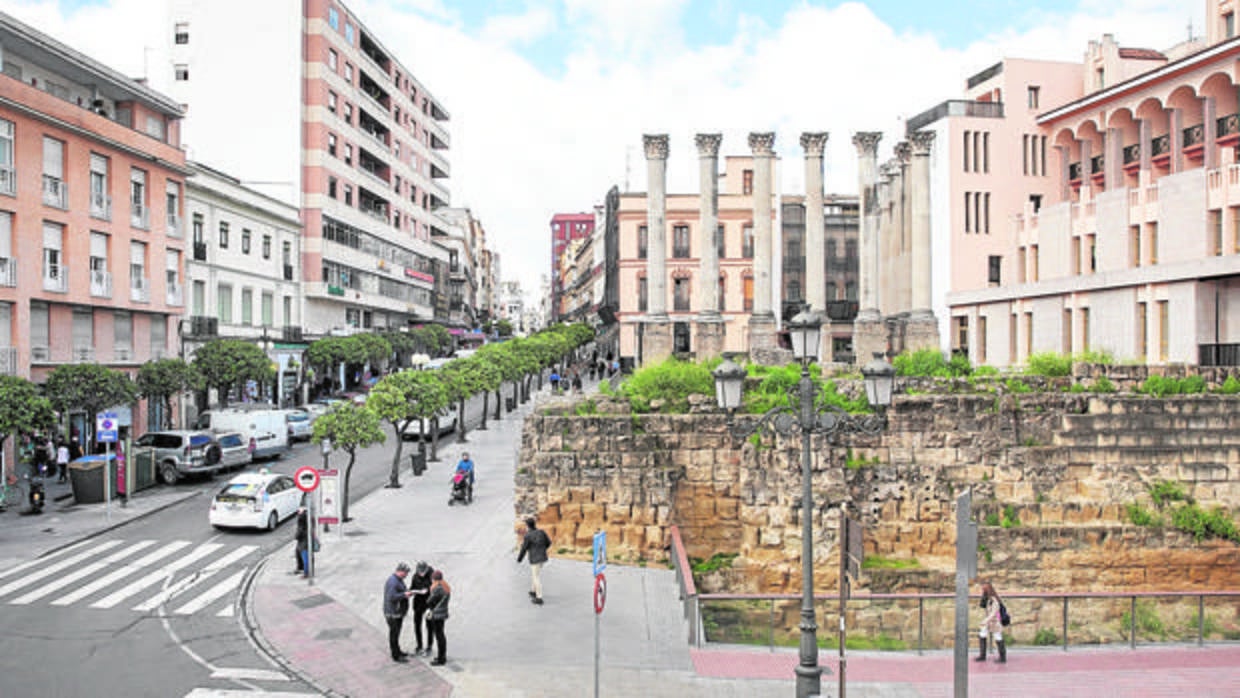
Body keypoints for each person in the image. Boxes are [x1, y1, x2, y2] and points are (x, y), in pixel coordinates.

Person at [384, 562, 416, 662]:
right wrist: (404, 595)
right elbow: (391, 597)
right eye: (406, 573)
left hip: (397, 613)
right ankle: (396, 656)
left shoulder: (398, 580)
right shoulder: (393, 582)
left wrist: (407, 593)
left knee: (396, 633)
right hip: (393, 613)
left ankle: (398, 651)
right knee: (394, 634)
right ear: (400, 571)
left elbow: (400, 591)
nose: (407, 575)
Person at [517, 516, 552, 605]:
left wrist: (519, 559)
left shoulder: (528, 536)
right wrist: (542, 549)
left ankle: (539, 598)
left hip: (535, 559)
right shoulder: (541, 532)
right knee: (535, 574)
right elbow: (549, 543)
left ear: (528, 526)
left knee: (536, 577)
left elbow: (524, 549)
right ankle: (533, 591)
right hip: (543, 558)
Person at [409, 561, 434, 657]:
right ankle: (419, 646)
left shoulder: (432, 576)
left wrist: (428, 590)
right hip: (418, 604)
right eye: (419, 572)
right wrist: (411, 591)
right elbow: (412, 587)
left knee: (429, 626)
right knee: (417, 625)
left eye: (423, 572)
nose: (421, 574)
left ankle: (429, 647)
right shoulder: (415, 576)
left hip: (428, 605)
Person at [426, 570, 451, 666]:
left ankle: (441, 659)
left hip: (437, 614)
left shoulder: (437, 587)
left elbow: (430, 601)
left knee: (439, 636)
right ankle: (442, 656)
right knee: (441, 635)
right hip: (442, 613)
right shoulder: (445, 585)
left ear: (434, 578)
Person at [976, 581, 1006, 663]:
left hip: (995, 622)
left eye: (984, 590)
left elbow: (993, 613)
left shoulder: (994, 600)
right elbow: (982, 606)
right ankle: (982, 655)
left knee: (998, 637)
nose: (983, 591)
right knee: (982, 634)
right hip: (989, 622)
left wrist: (985, 621)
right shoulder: (988, 599)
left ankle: (1003, 657)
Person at [293, 506, 310, 577]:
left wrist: (296, 536)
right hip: (303, 540)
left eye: (299, 511)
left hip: (303, 540)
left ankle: (306, 572)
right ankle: (300, 568)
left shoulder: (302, 518)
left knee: (304, 555)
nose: (298, 512)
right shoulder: (307, 517)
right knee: (298, 553)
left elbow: (300, 530)